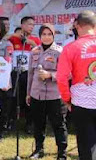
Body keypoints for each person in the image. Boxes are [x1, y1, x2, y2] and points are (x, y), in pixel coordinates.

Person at [57, 10, 96, 160]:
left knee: (87, 148)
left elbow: (61, 78)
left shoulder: (71, 48)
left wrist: (67, 100)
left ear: (77, 26)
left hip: (81, 103)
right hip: (82, 101)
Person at [26, 23, 67, 159]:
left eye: (49, 34)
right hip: (36, 94)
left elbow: (66, 74)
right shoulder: (34, 51)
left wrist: (50, 75)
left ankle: (62, 153)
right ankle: (38, 149)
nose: (47, 37)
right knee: (38, 124)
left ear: (54, 35)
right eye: (44, 34)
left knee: (58, 125)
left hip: (54, 95)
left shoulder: (60, 51)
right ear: (40, 36)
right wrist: (28, 93)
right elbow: (30, 74)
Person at [9, 16, 41, 133]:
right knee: (14, 98)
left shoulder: (35, 39)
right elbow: (3, 38)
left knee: (29, 99)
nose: (31, 27)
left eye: (33, 25)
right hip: (16, 73)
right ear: (22, 25)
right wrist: (15, 36)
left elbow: (41, 49)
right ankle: (12, 122)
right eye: (29, 24)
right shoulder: (14, 38)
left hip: (29, 73)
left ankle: (29, 124)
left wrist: (31, 43)